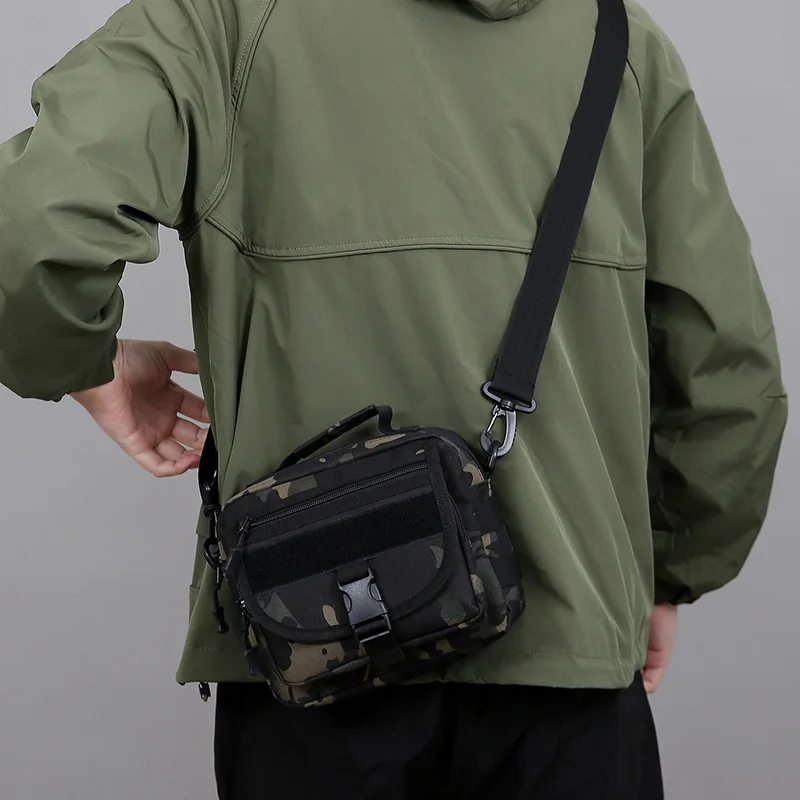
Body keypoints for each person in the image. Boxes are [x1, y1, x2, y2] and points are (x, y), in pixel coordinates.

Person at [0, 0, 787, 798]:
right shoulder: (618, 40)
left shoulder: (214, 20)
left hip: (307, 655)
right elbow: (729, 368)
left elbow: (32, 226)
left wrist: (86, 369)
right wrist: (668, 571)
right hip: (567, 676)